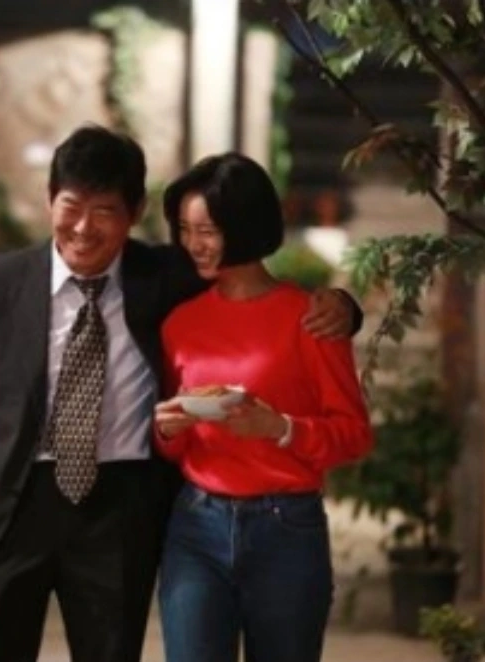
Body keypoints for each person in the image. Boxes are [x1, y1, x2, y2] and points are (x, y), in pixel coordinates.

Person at [0, 126, 360, 662]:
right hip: (15, 500)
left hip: (118, 509)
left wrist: (343, 306)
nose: (83, 228)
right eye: (71, 206)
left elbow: (247, 276)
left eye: (104, 211)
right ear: (50, 201)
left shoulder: (168, 275)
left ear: (133, 214)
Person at [153, 152, 374, 662]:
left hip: (286, 530)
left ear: (244, 226)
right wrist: (167, 431)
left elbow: (354, 435)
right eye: (184, 230)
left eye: (206, 231)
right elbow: (174, 447)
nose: (192, 244)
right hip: (196, 526)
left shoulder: (312, 319)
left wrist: (281, 428)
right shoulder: (179, 323)